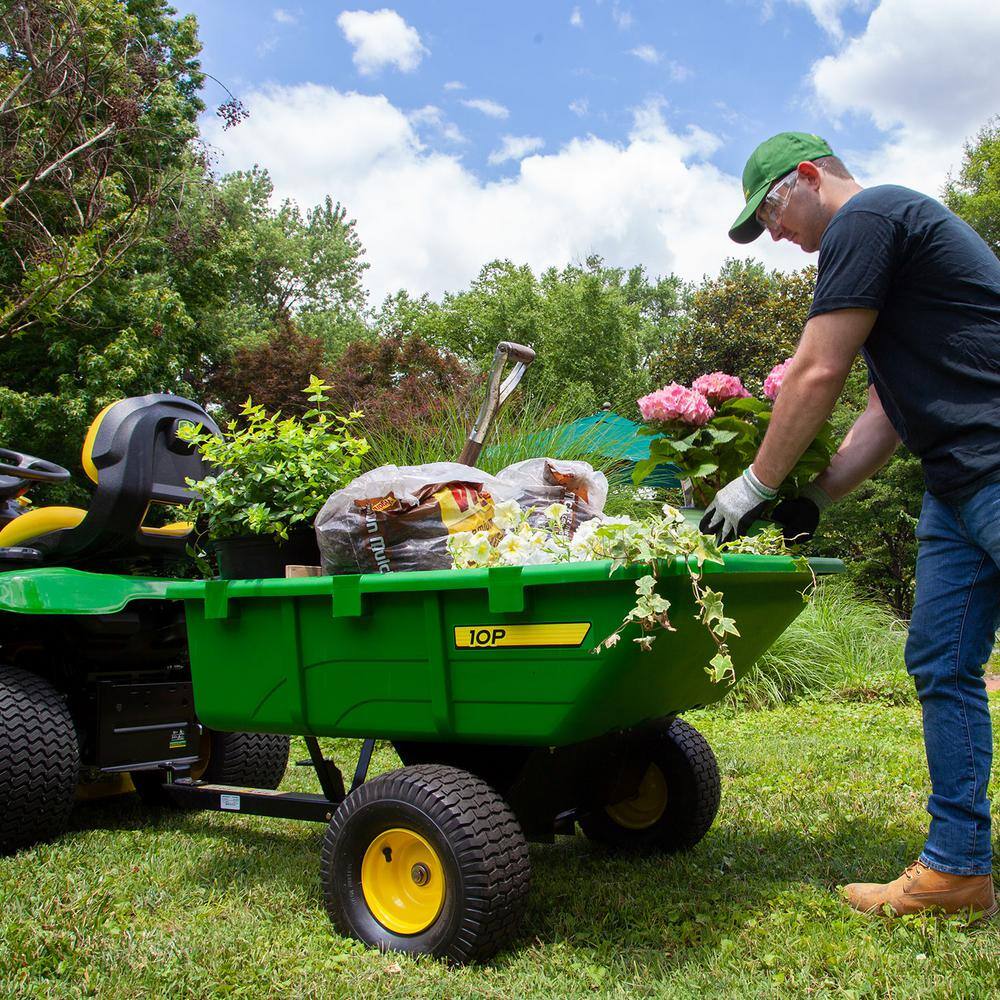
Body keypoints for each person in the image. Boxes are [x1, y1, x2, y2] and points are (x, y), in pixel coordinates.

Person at [701, 131, 1000, 920]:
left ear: (806, 178)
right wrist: (817, 496)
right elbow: (881, 410)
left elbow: (816, 369)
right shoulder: (885, 252)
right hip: (956, 483)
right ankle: (958, 870)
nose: (773, 234)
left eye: (768, 210)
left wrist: (752, 487)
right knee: (940, 663)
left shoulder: (869, 218)